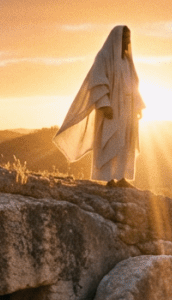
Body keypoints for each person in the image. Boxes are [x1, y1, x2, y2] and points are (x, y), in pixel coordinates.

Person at [53, 25, 145, 187]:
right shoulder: (104, 57)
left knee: (125, 142)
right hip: (112, 108)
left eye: (129, 38)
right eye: (125, 38)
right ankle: (109, 179)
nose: (127, 41)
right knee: (110, 140)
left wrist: (137, 106)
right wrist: (104, 104)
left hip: (128, 110)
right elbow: (97, 81)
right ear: (117, 38)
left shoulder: (126, 60)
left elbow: (133, 84)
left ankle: (122, 177)